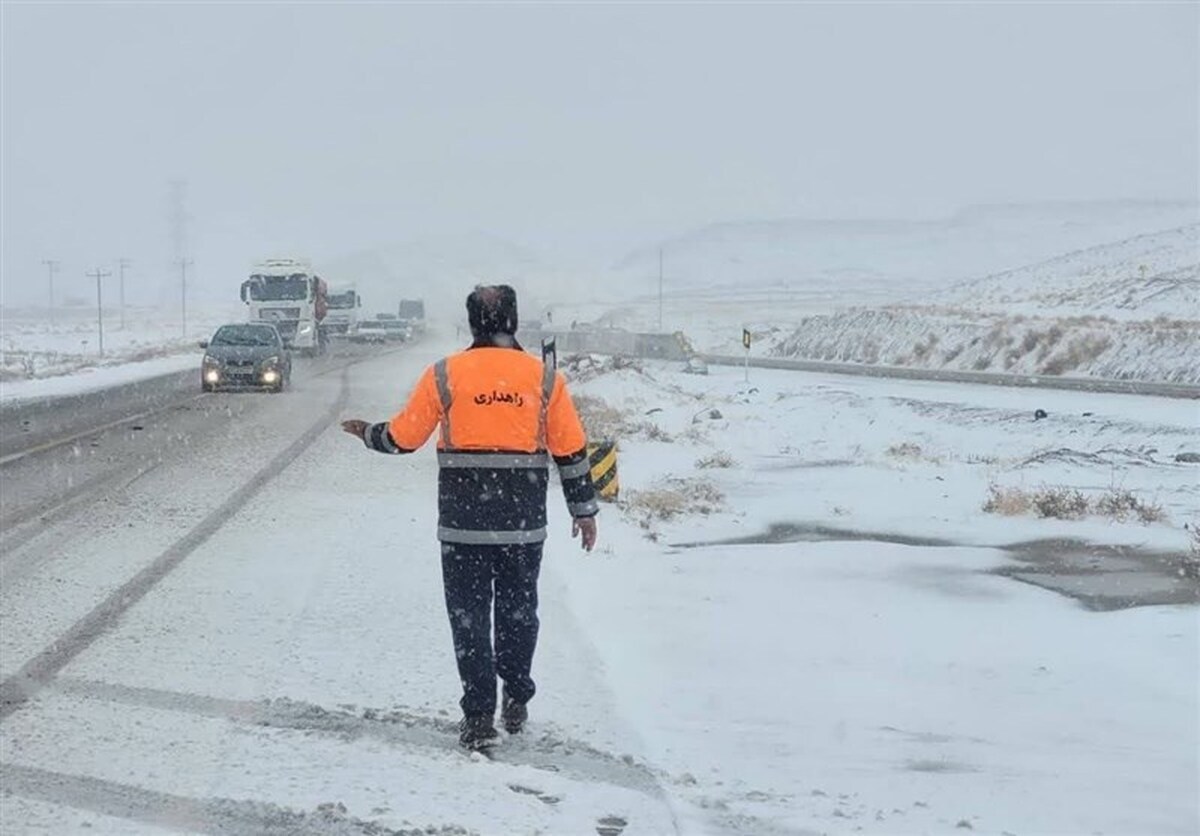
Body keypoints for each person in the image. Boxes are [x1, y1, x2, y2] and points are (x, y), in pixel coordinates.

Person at [341, 284, 599, 750]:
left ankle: (479, 715)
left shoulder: (445, 374)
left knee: (469, 619)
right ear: (513, 323)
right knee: (520, 614)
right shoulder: (544, 379)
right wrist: (584, 511)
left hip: (463, 526)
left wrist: (368, 434)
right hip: (522, 527)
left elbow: (403, 437)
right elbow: (571, 450)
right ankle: (516, 693)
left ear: (474, 323)